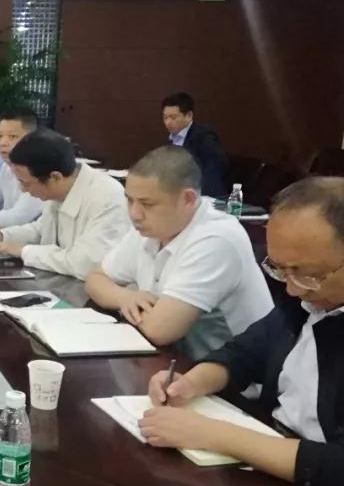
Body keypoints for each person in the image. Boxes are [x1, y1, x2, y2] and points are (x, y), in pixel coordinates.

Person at [139, 177, 344, 486]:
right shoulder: (304, 301)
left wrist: (215, 435)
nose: (292, 289)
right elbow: (246, 352)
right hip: (270, 459)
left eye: (308, 275)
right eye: (279, 269)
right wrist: (191, 383)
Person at [85, 146, 272, 359]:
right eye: (129, 200)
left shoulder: (216, 238)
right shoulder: (151, 228)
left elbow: (160, 330)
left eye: (147, 204)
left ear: (188, 200)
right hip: (177, 361)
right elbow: (95, 279)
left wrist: (129, 307)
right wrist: (125, 297)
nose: (134, 214)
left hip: (235, 374)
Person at [0, 129, 129, 280]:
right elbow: (41, 229)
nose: (23, 189)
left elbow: (85, 263)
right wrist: (3, 236)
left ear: (55, 177)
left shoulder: (106, 196)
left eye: (25, 183)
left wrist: (24, 252)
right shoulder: (58, 190)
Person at [161, 92, 228, 199]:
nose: (168, 122)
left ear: (189, 116)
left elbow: (214, 169)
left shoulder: (204, 136)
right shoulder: (171, 140)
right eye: (165, 118)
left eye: (173, 118)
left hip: (204, 196)